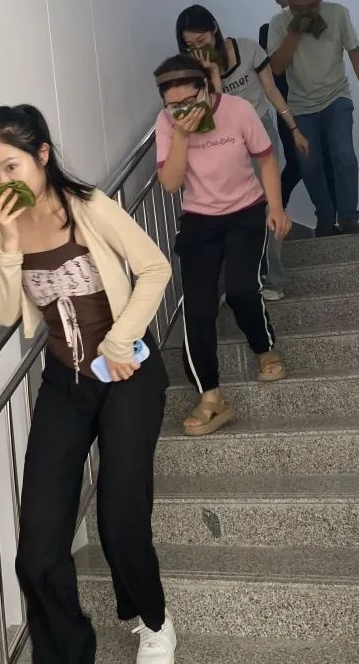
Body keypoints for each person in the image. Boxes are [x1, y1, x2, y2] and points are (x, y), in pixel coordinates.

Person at [0, 104, 177, 663]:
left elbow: (155, 267)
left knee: (119, 515)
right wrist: (7, 245)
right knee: (37, 547)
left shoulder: (89, 206)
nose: (0, 181)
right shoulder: (4, 227)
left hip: (127, 373)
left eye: (11, 167)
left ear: (41, 156)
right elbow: (5, 312)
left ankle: (155, 621)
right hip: (65, 383)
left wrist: (120, 341)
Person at [154, 56, 292, 437]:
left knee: (242, 289)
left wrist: (276, 207)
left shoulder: (238, 110)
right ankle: (211, 397)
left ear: (205, 87)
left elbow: (266, 160)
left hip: (246, 211)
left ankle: (264, 348)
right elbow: (170, 183)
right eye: (173, 105)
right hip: (199, 220)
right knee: (197, 309)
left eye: (189, 101)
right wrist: (181, 135)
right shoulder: (167, 124)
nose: (182, 110)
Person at [175, 4, 308, 301]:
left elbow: (272, 92)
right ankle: (243, 281)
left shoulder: (247, 49)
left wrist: (294, 128)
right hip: (224, 143)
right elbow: (217, 117)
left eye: (201, 40)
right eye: (190, 45)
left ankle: (274, 279)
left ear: (214, 29)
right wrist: (211, 75)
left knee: (269, 205)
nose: (197, 49)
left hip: (260, 133)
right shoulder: (193, 70)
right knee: (234, 213)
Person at [267, 0, 359, 236]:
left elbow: (355, 52)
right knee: (309, 164)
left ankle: (349, 216)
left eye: (311, 6)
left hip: (336, 96)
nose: (305, 11)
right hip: (301, 105)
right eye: (297, 7)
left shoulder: (338, 13)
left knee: (343, 155)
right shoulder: (278, 23)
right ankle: (325, 217)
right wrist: (295, 32)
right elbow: (277, 68)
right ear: (288, 1)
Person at [260, 0, 340, 222]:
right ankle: (274, 210)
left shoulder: (320, 22)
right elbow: (273, 72)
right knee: (298, 163)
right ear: (278, 0)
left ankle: (332, 220)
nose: (290, 2)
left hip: (319, 102)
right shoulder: (270, 29)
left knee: (329, 159)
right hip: (288, 106)